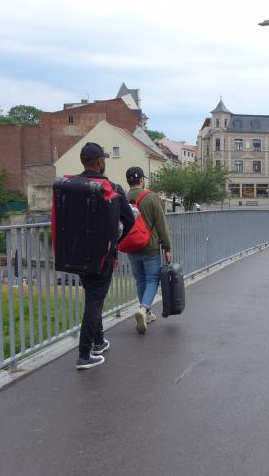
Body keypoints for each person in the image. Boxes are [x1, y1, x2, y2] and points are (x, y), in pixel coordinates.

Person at [75, 142, 135, 370]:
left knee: (93, 296)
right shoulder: (112, 188)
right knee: (95, 300)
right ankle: (84, 354)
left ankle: (98, 341)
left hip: (77, 254)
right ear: (100, 162)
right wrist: (114, 245)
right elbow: (129, 222)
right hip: (102, 255)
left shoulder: (72, 186)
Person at [125, 166, 173, 334]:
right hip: (150, 247)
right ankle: (144, 309)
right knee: (152, 280)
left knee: (140, 281)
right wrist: (167, 247)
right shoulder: (151, 198)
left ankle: (147, 313)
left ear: (128, 181)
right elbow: (161, 225)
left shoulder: (123, 198)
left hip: (131, 246)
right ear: (142, 180)